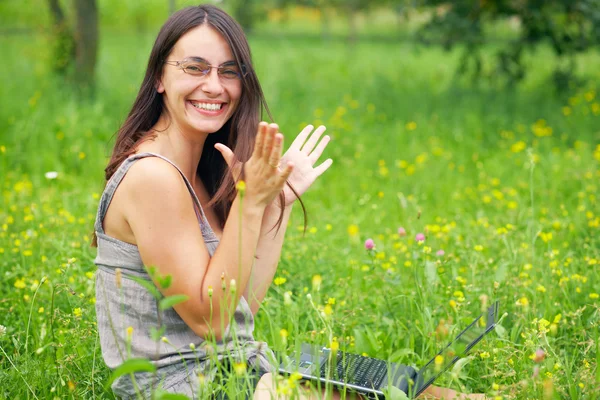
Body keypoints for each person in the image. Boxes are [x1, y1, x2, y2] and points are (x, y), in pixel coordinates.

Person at [91, 4, 485, 400]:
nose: (214, 85)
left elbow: (239, 309)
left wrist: (277, 202)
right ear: (160, 76)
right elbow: (211, 320)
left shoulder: (201, 173)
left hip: (238, 369)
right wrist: (248, 204)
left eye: (229, 71)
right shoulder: (153, 176)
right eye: (195, 68)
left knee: (422, 392)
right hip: (182, 388)